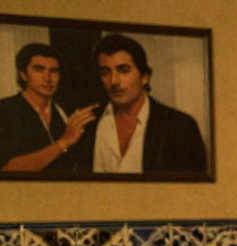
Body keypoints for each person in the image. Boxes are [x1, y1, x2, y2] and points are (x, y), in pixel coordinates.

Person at [74, 34, 207, 174]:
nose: (113, 81)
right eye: (105, 72)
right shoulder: (87, 124)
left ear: (144, 77)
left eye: (123, 70)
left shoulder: (180, 127)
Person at [0, 43, 96, 172]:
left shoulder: (66, 112)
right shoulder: (5, 110)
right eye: (39, 69)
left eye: (54, 71)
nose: (48, 78)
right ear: (23, 74)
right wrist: (63, 142)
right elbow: (8, 169)